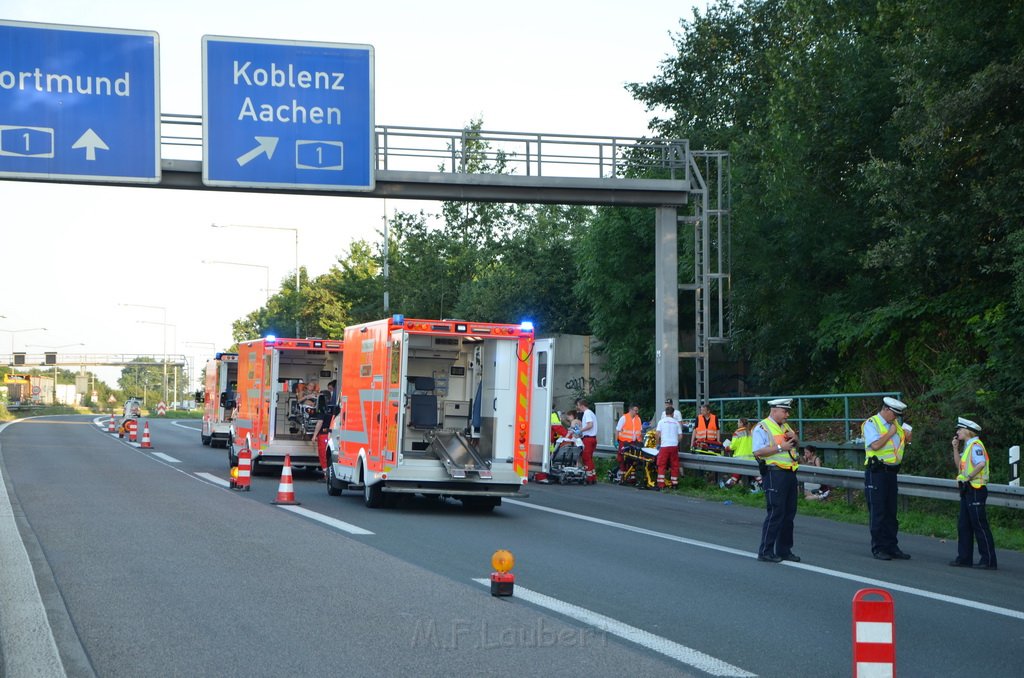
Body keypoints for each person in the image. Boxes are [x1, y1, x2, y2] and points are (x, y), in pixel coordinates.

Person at [752, 398, 801, 563]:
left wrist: (795, 438)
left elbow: (795, 446)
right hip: (774, 474)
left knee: (789, 513)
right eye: (784, 411)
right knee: (775, 512)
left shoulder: (786, 427)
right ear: (774, 411)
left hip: (789, 472)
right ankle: (765, 551)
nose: (787, 415)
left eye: (788, 411)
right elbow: (758, 451)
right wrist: (781, 447)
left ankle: (784, 550)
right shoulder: (762, 427)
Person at [862, 396, 911, 561]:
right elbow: (875, 445)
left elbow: (898, 446)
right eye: (894, 414)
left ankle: (892, 546)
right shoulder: (871, 423)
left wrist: (907, 439)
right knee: (878, 511)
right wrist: (890, 434)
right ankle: (879, 547)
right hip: (876, 472)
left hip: (891, 472)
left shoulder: (894, 425)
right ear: (886, 410)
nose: (896, 418)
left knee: (891, 511)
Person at [949, 417, 997, 570]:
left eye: (959, 429)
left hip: (975, 489)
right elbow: (959, 467)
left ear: (967, 431)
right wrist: (955, 449)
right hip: (968, 489)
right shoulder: (968, 446)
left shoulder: (976, 445)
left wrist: (969, 478)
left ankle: (988, 561)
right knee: (964, 525)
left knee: (979, 525)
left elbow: (981, 463)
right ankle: (964, 558)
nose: (957, 432)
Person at [655, 405, 684, 489]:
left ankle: (661, 484)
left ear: (666, 413)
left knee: (661, 464)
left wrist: (658, 443)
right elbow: (680, 436)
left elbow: (657, 434)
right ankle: (674, 484)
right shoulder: (676, 423)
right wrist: (676, 441)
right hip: (674, 446)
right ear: (673, 413)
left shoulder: (661, 421)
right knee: (674, 465)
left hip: (664, 446)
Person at [723, 418, 754, 488]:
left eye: (738, 422)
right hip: (751, 458)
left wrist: (727, 447)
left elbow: (733, 446)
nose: (737, 424)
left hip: (740, 458)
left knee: (736, 474)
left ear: (741, 423)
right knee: (756, 475)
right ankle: (761, 488)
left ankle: (728, 486)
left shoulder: (737, 433)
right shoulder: (751, 432)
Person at [615, 403, 643, 475]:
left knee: (632, 459)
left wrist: (640, 441)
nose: (636, 412)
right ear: (630, 410)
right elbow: (617, 430)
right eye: (635, 410)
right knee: (622, 457)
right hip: (624, 441)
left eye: (637, 411)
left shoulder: (638, 419)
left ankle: (630, 474)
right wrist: (616, 441)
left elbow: (640, 431)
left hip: (634, 442)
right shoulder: (624, 418)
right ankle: (622, 472)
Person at [576, 399, 598, 484]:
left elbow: (590, 425)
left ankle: (589, 477)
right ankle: (593, 476)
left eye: (578, 405)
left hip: (588, 438)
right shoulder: (591, 413)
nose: (578, 407)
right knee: (590, 458)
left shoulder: (587, 413)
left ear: (582, 405)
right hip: (593, 438)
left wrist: (580, 430)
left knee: (586, 457)